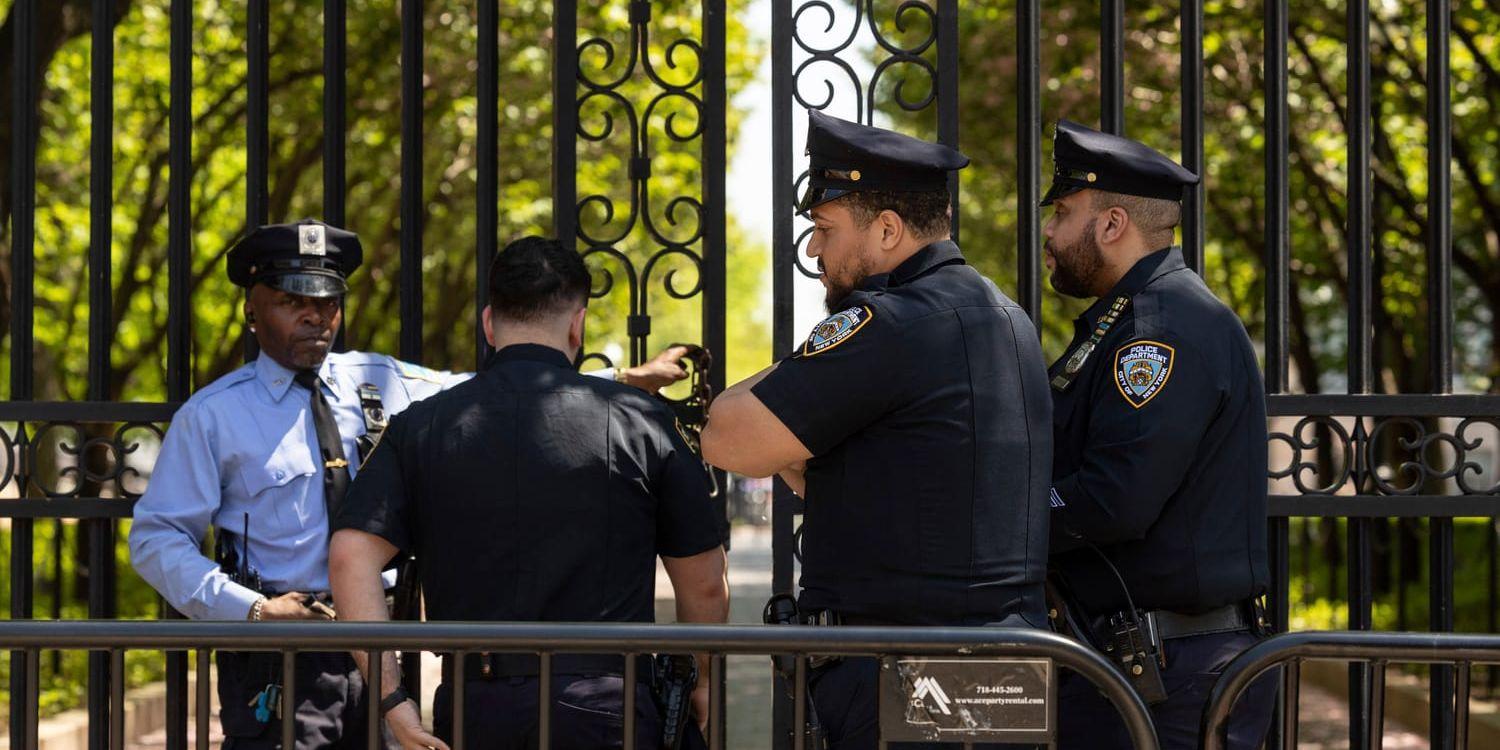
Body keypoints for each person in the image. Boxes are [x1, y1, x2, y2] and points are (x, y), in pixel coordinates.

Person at [128, 220, 695, 748]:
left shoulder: (381, 381)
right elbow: (157, 540)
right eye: (291, 301)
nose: (314, 317)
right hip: (284, 649)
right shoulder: (213, 416)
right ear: (252, 311)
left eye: (326, 302)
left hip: (383, 646)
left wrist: (623, 379)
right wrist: (250, 610)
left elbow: (506, 389)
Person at [700, 110, 1053, 748]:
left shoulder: (892, 322)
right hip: (1003, 664)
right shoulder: (1006, 315)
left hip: (906, 672)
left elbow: (725, 434)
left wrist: (804, 373)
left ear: (887, 230)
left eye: (826, 229)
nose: (813, 249)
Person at [328, 236, 730, 750]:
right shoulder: (640, 419)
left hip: (477, 704)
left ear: (490, 323)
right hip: (608, 703)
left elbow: (349, 558)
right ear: (577, 324)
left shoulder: (421, 426)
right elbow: (705, 584)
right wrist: (698, 679)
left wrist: (393, 701)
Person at [1038, 120, 1274, 749]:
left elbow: (1115, 498)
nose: (1048, 232)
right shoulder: (1129, 323)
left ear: (1112, 225)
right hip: (1144, 661)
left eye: (1062, 212)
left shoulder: (1159, 330)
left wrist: (1007, 516)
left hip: (1170, 672)